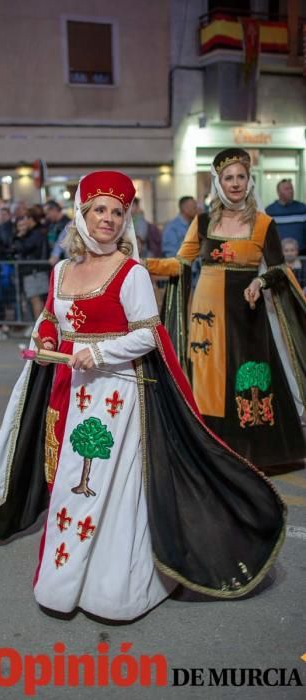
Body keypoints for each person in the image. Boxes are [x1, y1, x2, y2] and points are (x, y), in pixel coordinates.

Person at [0, 170, 285, 622]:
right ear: (82, 215)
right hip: (71, 393)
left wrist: (97, 351)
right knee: (71, 491)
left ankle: (114, 591)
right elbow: (51, 319)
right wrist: (44, 340)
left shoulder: (131, 272)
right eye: (100, 209)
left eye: (118, 212)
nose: (109, 219)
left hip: (118, 399)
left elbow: (147, 337)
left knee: (112, 495)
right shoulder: (61, 269)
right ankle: (62, 584)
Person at [144, 148, 305, 471]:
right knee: (209, 380)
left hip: (248, 313)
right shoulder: (203, 222)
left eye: (240, 177)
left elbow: (279, 269)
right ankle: (210, 448)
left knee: (249, 378)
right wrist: (140, 265)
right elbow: (181, 262)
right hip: (207, 316)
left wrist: (260, 283)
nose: (235, 183)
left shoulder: (263, 223)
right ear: (218, 183)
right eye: (228, 178)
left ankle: (254, 450)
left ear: (249, 181)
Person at [13, 207, 49, 320]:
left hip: (35, 271)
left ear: (30, 219)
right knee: (36, 300)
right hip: (35, 270)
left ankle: (39, 328)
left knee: (36, 300)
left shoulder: (36, 234)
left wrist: (19, 237)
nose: (23, 222)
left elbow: (25, 248)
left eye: (25, 219)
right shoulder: (36, 232)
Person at [266, 179, 306, 254]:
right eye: (286, 189)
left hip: (301, 255)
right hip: (277, 255)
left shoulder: (303, 209)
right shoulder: (269, 212)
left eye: (291, 188)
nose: (290, 191)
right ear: (278, 192)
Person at [44, 200, 71, 266]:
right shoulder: (51, 224)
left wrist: (56, 254)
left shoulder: (68, 224)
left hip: (64, 261)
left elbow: (61, 241)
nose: (47, 216)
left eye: (48, 213)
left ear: (54, 210)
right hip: (54, 261)